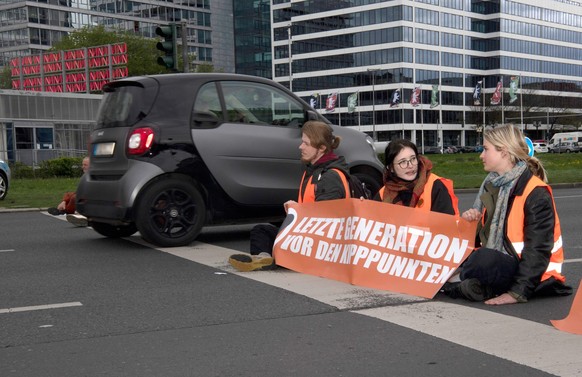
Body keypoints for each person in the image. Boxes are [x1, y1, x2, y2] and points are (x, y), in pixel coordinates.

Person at [443, 124, 572, 304]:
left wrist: (516, 294)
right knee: (455, 251)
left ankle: (456, 281)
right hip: (505, 263)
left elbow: (538, 250)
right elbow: (484, 239)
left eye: (486, 149)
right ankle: (468, 283)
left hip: (537, 275)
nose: (481, 155)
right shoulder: (494, 185)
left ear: (503, 152)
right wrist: (471, 223)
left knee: (483, 259)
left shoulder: (535, 192)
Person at [228, 121, 350, 272]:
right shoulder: (313, 171)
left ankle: (274, 258)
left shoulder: (330, 176)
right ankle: (264, 257)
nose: (301, 147)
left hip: (320, 243)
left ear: (321, 148)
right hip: (307, 235)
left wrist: (297, 211)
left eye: (306, 143)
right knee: (260, 230)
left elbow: (326, 222)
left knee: (270, 234)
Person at [376, 139, 458, 215]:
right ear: (391, 168)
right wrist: (364, 207)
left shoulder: (435, 186)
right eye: (403, 162)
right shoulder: (383, 194)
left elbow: (446, 225)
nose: (410, 165)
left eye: (413, 159)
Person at [47, 156, 90, 227]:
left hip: (90, 199)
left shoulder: (93, 177)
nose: (83, 167)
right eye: (82, 165)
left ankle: (66, 211)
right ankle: (64, 210)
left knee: (74, 198)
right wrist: (64, 201)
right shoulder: (85, 177)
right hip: (84, 197)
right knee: (69, 195)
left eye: (85, 165)